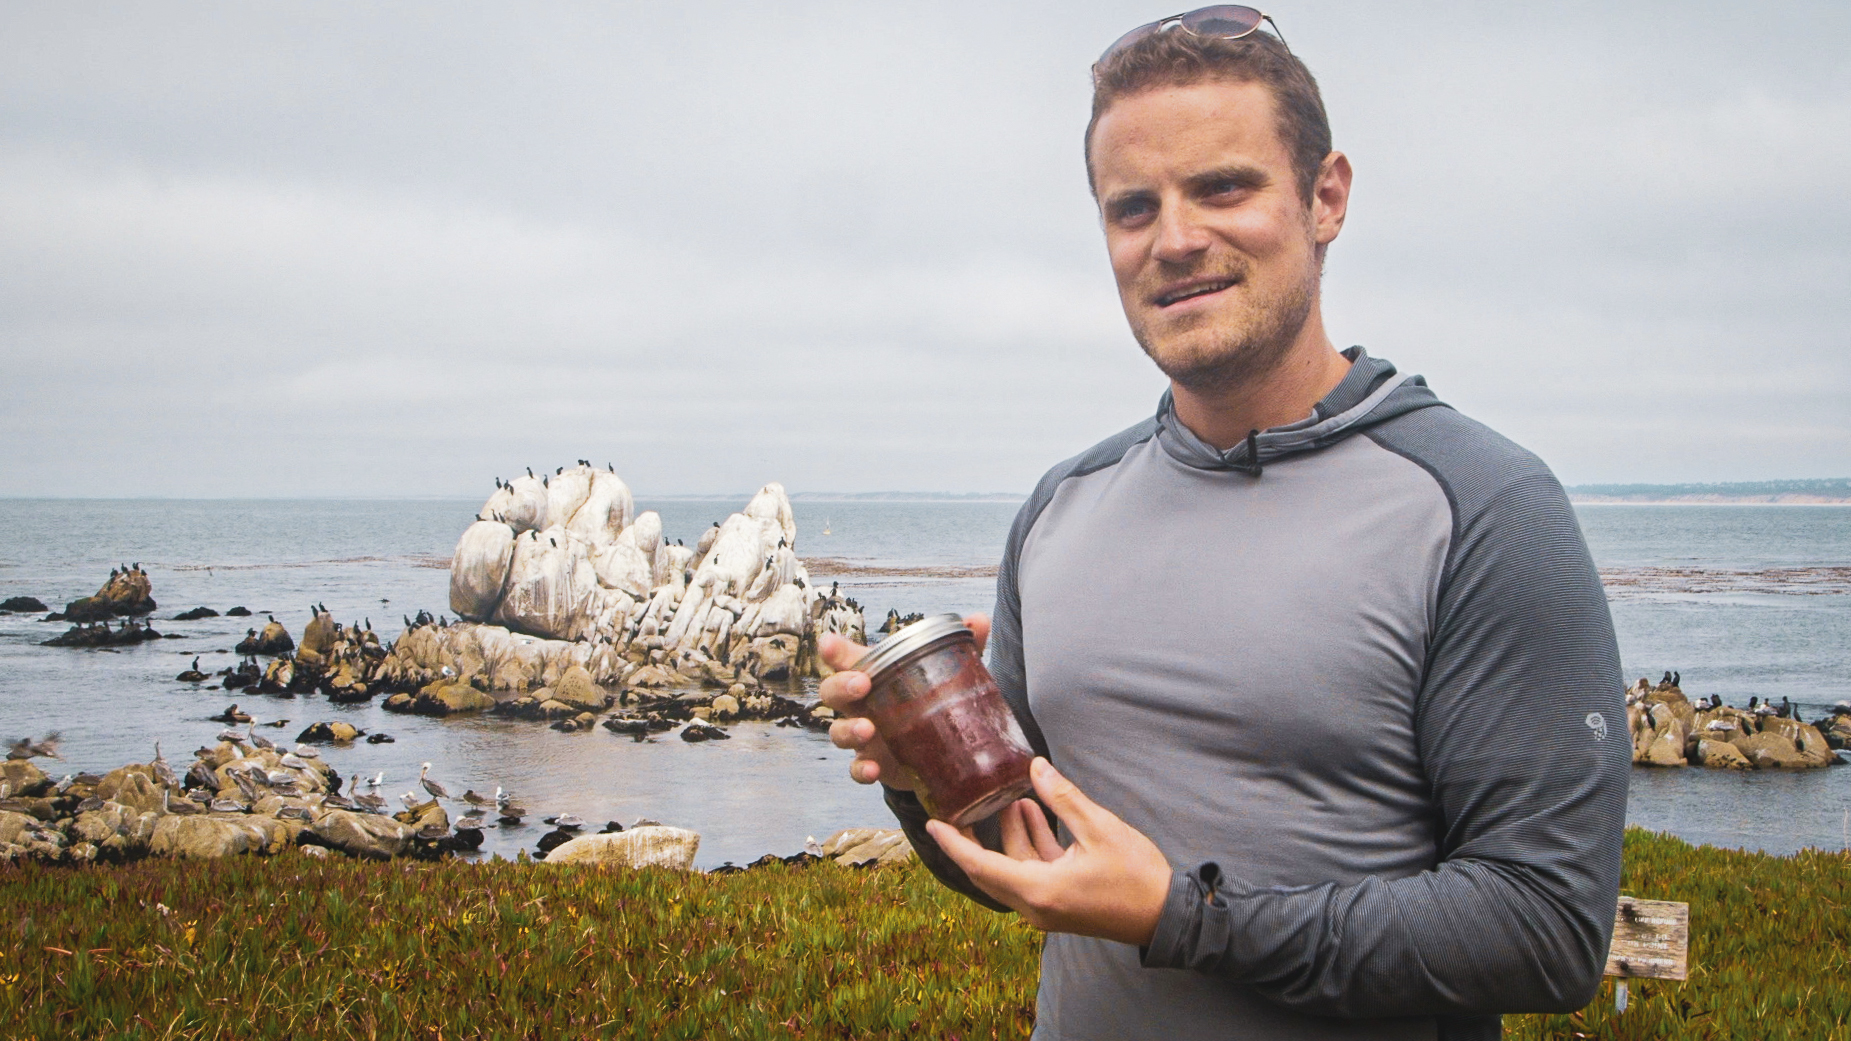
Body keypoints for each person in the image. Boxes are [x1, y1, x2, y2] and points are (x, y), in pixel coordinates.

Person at [821, 9, 1629, 1041]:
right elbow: (1035, 861)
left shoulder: (1485, 507)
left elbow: (1547, 930)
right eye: (1132, 206)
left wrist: (1186, 918)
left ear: (1326, 196)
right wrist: (916, 786)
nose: (1175, 240)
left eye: (1224, 188)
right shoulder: (1062, 509)